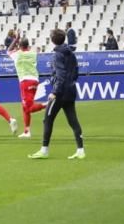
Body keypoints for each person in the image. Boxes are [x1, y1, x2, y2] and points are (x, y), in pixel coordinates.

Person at [30, 29, 85, 160]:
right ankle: (80, 150)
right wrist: (70, 83)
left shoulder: (57, 55)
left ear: (53, 40)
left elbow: (60, 75)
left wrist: (55, 92)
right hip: (71, 90)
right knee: (73, 121)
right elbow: (76, 71)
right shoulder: (71, 53)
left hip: (60, 93)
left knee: (47, 119)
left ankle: (44, 150)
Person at [8, 37, 46, 139]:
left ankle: (47, 104)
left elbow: (9, 50)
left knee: (28, 108)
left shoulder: (17, 54)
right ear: (28, 46)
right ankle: (27, 131)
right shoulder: (33, 54)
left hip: (25, 81)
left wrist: (15, 39)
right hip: (35, 80)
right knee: (25, 107)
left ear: (20, 46)